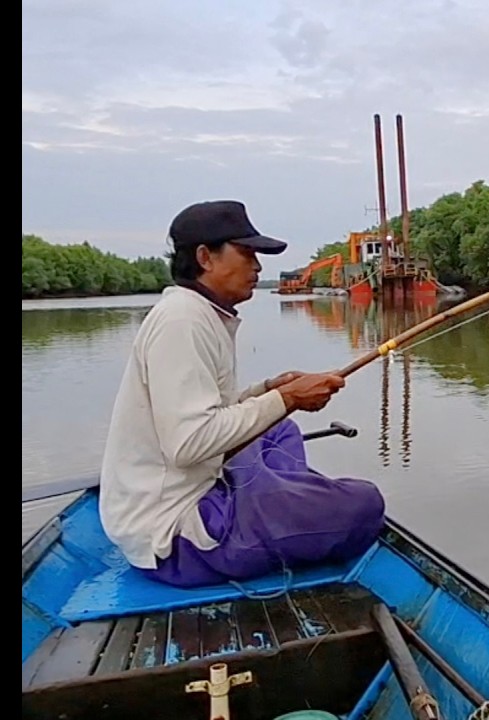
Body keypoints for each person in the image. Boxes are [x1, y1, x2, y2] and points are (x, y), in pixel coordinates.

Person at [98, 200, 386, 588]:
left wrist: (270, 391)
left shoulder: (200, 312)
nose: (258, 267)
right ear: (205, 257)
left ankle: (283, 504)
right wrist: (288, 399)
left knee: (279, 431)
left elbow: (212, 413)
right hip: (177, 534)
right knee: (364, 505)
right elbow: (189, 443)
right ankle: (286, 508)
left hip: (199, 484)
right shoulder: (183, 322)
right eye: (247, 253)